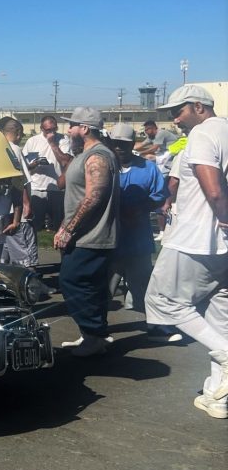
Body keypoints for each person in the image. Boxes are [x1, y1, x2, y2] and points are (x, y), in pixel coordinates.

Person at [145, 85, 228, 418]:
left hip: (198, 237)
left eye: (177, 111)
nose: (173, 119)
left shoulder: (203, 134)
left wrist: (224, 219)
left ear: (198, 106)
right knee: (219, 316)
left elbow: (213, 188)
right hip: (219, 245)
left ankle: (226, 354)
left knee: (163, 300)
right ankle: (218, 395)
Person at [54, 106, 119, 358]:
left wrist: (69, 229)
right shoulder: (87, 154)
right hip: (84, 234)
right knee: (91, 286)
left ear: (84, 128)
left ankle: (94, 335)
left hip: (91, 236)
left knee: (72, 281)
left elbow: (94, 197)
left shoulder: (98, 156)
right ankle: (94, 335)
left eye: (72, 125)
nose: (68, 130)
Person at [104, 123, 177, 340]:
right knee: (105, 287)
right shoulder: (103, 166)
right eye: (115, 144)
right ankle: (94, 332)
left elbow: (159, 195)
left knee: (144, 285)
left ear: (131, 144)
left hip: (138, 238)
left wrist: (140, 208)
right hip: (109, 238)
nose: (119, 148)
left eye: (124, 145)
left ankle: (155, 327)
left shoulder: (148, 167)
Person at [0, 118, 38, 269]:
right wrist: (26, 205)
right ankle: (31, 286)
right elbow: (21, 182)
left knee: (4, 252)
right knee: (25, 253)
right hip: (16, 209)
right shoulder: (14, 149)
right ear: (19, 133)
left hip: (1, 208)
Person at [23, 115, 73, 231]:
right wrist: (33, 165)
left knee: (59, 224)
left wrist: (52, 143)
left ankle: (59, 245)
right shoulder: (32, 141)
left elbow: (66, 161)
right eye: (48, 130)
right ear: (41, 128)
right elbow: (24, 166)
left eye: (54, 129)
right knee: (34, 225)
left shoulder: (63, 139)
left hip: (56, 188)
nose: (51, 132)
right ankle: (33, 248)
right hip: (37, 187)